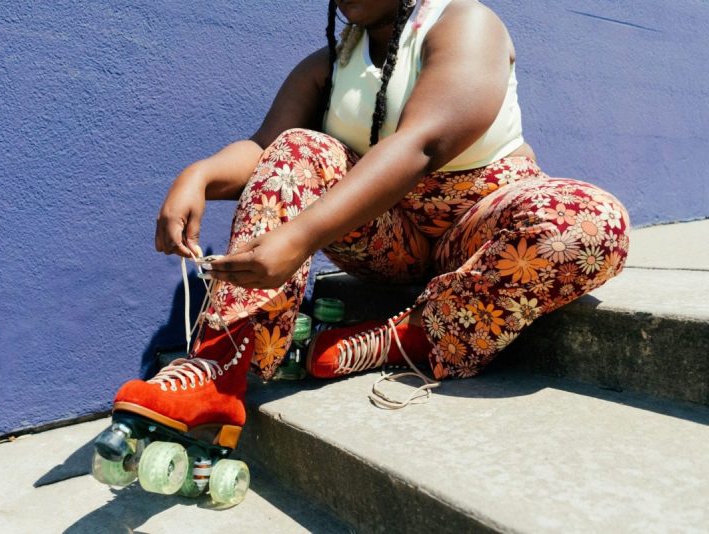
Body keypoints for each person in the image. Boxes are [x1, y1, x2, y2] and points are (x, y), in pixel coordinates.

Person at [113, 0, 630, 443]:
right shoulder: (327, 64)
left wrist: (300, 237)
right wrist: (199, 175)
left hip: (483, 225)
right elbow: (263, 148)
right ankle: (219, 365)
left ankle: (412, 335)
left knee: (591, 222)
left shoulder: (462, 22)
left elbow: (423, 143)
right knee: (298, 148)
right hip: (388, 237)